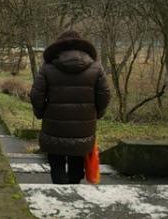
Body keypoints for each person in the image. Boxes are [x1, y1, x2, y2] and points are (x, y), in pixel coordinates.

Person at [29, 30, 111, 185]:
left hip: (54, 126)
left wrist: (41, 113)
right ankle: (73, 190)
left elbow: (36, 95)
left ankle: (59, 191)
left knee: (56, 163)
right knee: (77, 162)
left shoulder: (47, 67)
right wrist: (96, 114)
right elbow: (104, 95)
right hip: (83, 128)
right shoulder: (96, 67)